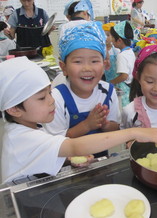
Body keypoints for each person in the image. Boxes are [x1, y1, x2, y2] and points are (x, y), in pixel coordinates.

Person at [0, 56, 157, 183]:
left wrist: (70, 158)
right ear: (14, 109)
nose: (52, 101)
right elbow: (74, 145)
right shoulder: (20, 137)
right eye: (41, 98)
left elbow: (39, 156)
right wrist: (135, 132)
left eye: (49, 93)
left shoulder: (26, 125)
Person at [44, 21, 119, 159]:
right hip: (67, 164)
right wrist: (87, 125)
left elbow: (116, 127)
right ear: (64, 67)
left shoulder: (108, 91)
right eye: (78, 61)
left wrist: (105, 124)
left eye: (94, 61)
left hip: (100, 160)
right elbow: (55, 144)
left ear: (104, 65)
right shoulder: (57, 98)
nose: (87, 68)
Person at [110, 21, 135, 107]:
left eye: (112, 37)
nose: (111, 40)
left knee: (124, 110)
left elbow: (124, 76)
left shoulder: (121, 56)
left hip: (125, 89)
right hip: (131, 87)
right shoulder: (130, 51)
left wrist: (111, 82)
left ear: (119, 40)